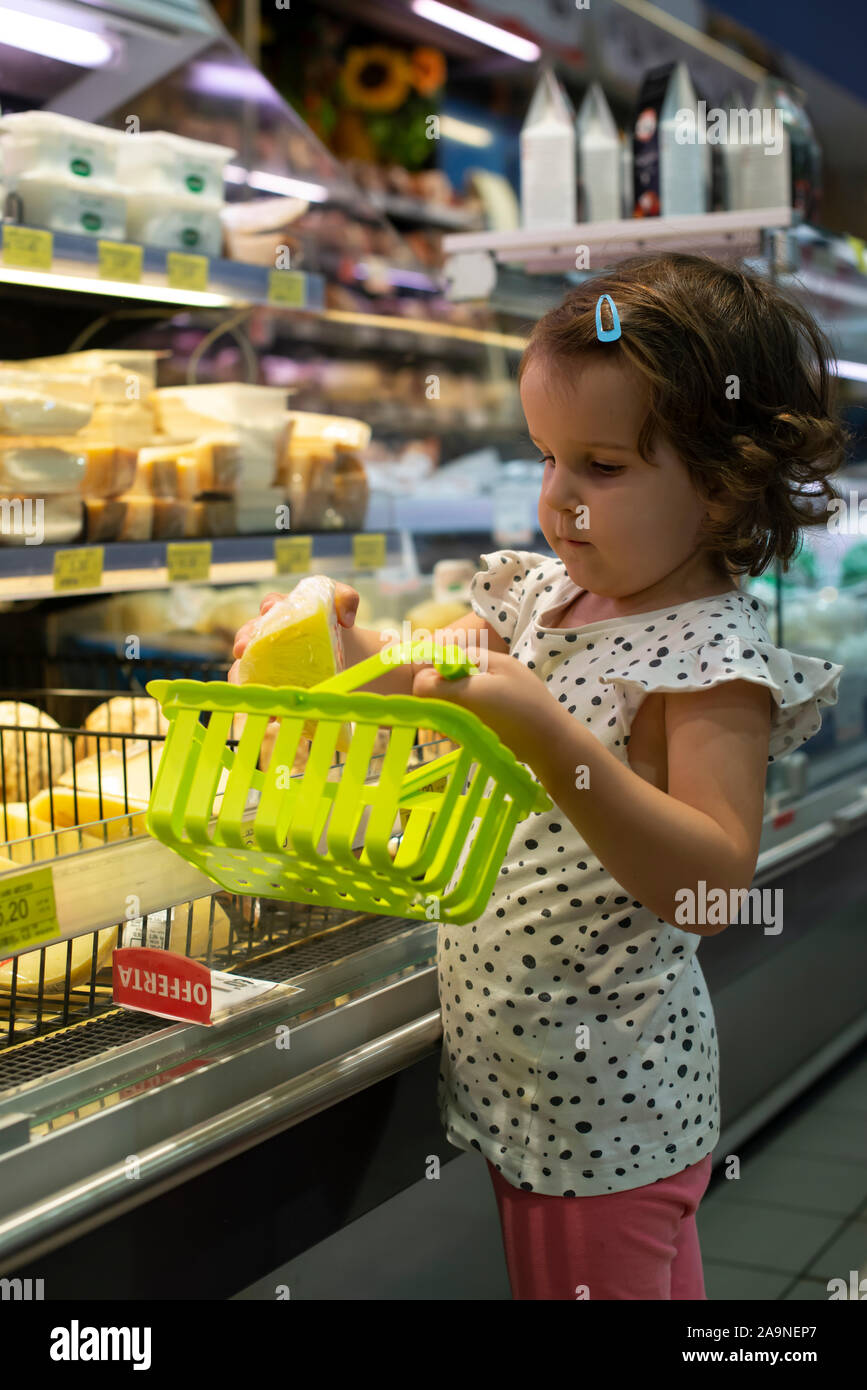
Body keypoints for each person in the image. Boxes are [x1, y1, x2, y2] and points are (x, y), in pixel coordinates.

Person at [230, 252, 846, 1299]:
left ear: (724, 478)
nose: (559, 501)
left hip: (609, 1108)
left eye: (602, 467)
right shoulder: (547, 596)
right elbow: (435, 689)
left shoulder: (709, 659)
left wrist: (548, 731)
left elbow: (709, 884)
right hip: (532, 1083)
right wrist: (339, 654)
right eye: (547, 458)